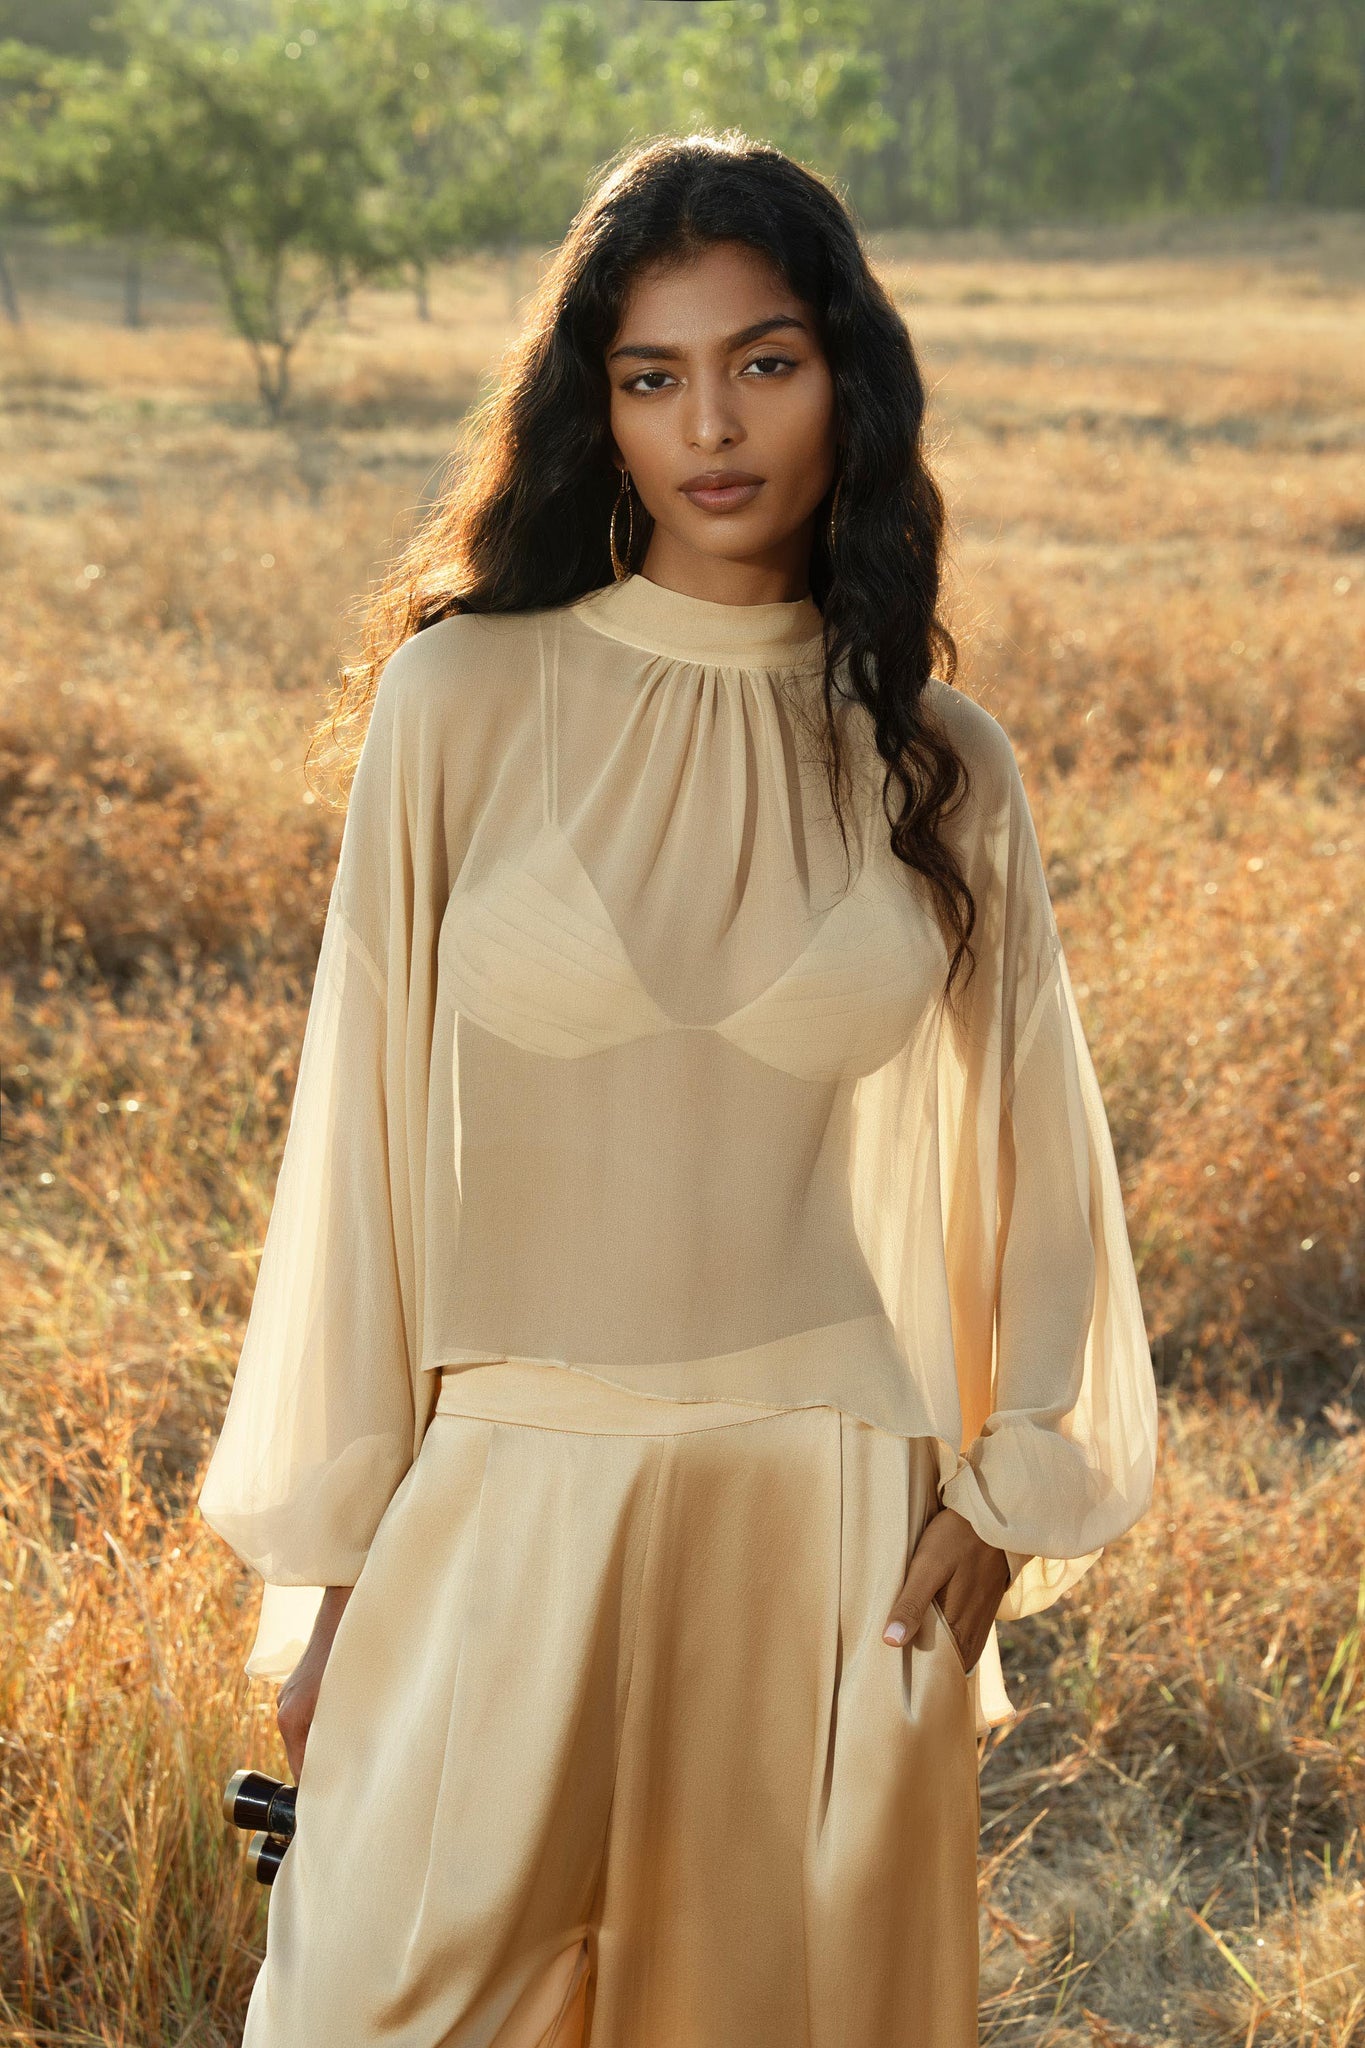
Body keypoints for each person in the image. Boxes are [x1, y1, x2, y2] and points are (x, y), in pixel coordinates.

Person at [197, 131, 1158, 2048]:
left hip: (826, 1524)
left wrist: (1002, 1495)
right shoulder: (462, 700)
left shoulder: (938, 764)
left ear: (846, 381)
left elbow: (1040, 1164)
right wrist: (324, 1571)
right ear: (597, 411)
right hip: (504, 1502)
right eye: (652, 377)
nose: (710, 424)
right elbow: (357, 1150)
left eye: (763, 361)